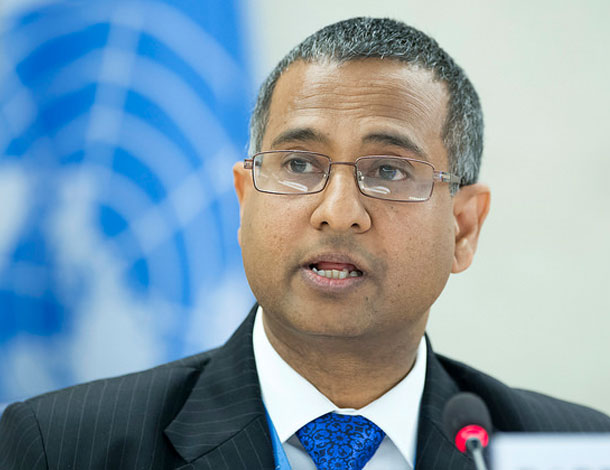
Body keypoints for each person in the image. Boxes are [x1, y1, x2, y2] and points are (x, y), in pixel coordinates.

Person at [1, 16, 609, 470]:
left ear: (464, 228)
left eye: (388, 171)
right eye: (298, 164)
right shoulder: (64, 446)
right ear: (245, 200)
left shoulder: (570, 452)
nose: (338, 213)